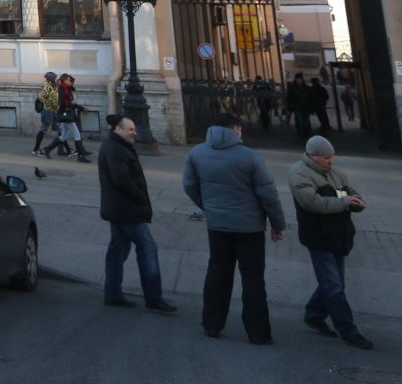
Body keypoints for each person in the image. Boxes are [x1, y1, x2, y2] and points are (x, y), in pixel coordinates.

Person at [182, 111, 286, 345]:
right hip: (249, 229)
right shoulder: (250, 157)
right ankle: (258, 333)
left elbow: (189, 185)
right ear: (237, 130)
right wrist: (277, 224)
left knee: (218, 273)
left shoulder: (197, 153)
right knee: (253, 280)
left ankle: (212, 324)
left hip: (217, 225)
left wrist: (208, 206)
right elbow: (268, 195)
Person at [289, 135, 372, 349]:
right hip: (318, 237)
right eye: (326, 158)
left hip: (339, 236)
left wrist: (356, 201)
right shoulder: (299, 173)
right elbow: (311, 202)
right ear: (313, 156)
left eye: (332, 157)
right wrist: (343, 203)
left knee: (334, 283)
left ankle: (314, 314)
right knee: (334, 286)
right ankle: (348, 330)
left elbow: (348, 190)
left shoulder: (335, 173)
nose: (331, 161)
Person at [99, 112, 176, 312]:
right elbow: (122, 180)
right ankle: (153, 297)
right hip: (127, 209)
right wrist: (140, 198)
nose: (135, 133)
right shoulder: (116, 149)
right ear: (118, 129)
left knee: (117, 250)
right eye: (130, 129)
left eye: (134, 129)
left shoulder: (119, 146)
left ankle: (113, 294)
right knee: (147, 248)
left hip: (118, 208)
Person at [33, 71, 60, 156]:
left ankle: (65, 150)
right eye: (55, 78)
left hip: (53, 110)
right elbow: (50, 99)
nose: (57, 79)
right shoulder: (47, 87)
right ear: (52, 79)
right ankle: (36, 149)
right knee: (44, 129)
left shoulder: (52, 86)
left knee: (61, 130)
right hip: (48, 111)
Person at [287, 72, 311, 141]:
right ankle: (302, 135)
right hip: (298, 107)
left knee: (305, 122)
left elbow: (310, 98)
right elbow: (289, 98)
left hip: (305, 107)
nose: (299, 80)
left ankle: (304, 134)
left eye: (300, 79)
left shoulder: (306, 88)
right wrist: (290, 108)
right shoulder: (293, 88)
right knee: (301, 122)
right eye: (298, 79)